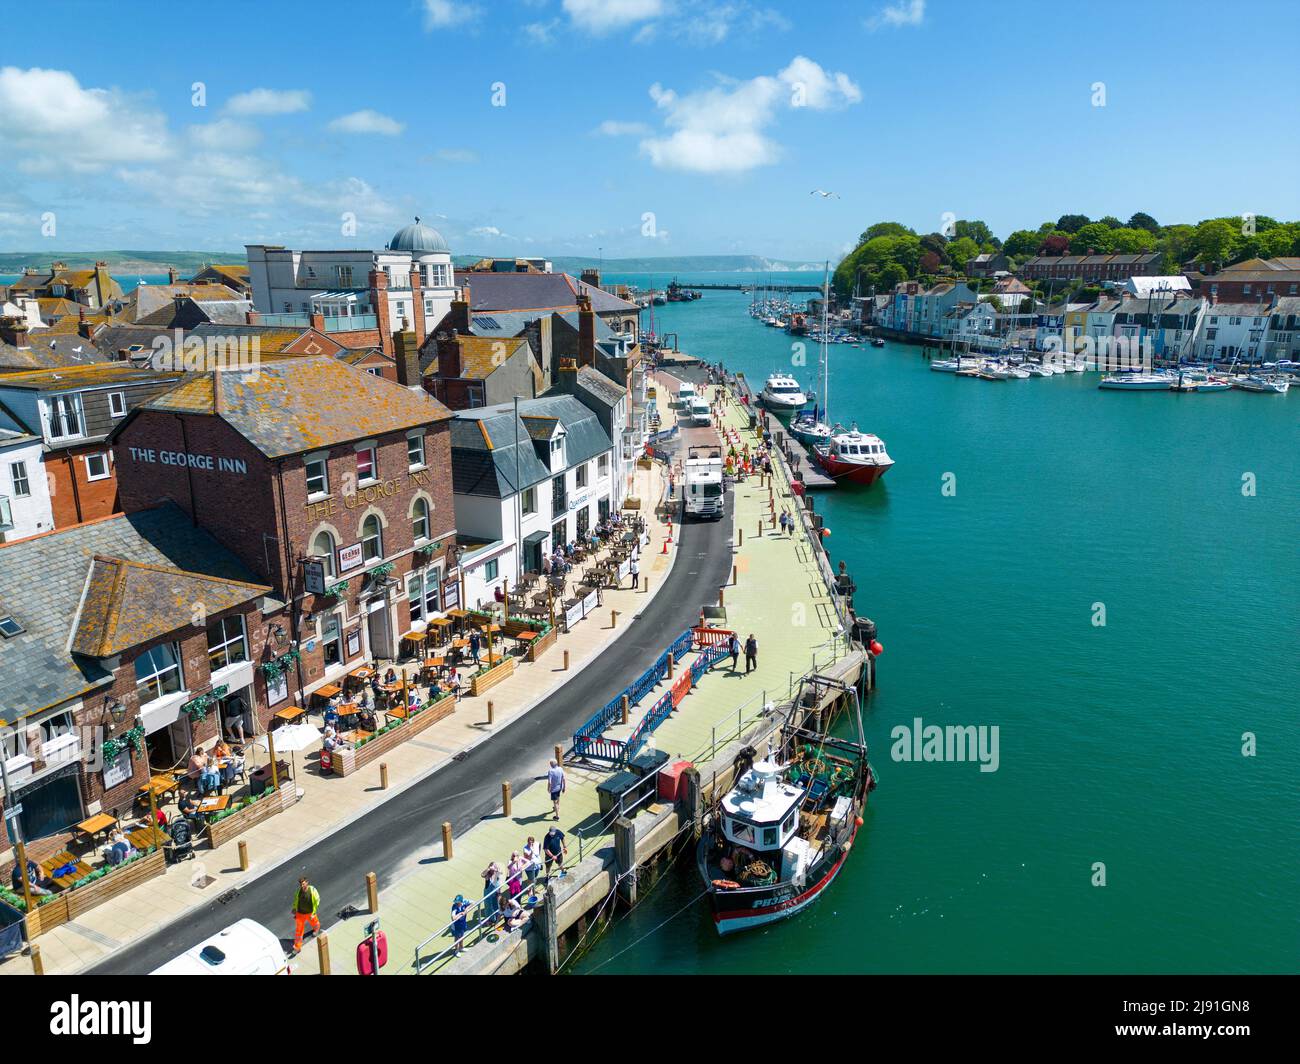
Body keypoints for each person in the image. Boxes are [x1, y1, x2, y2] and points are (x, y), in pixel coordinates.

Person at [291, 876, 320, 954]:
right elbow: (296, 901)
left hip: (310, 913)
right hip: (300, 914)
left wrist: (313, 913)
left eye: (303, 884)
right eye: (301, 884)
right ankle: (297, 947)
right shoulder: (298, 892)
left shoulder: (313, 891)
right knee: (299, 932)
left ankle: (316, 930)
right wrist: (294, 908)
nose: (302, 886)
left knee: (315, 923)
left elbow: (317, 901)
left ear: (307, 883)